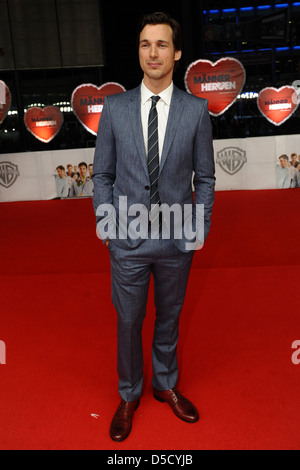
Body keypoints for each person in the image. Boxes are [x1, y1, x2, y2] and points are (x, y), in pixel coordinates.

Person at [92, 12, 215, 442]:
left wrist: (198, 228)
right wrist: (107, 226)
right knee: (129, 319)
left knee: (170, 317)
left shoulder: (197, 111)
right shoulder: (115, 107)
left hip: (177, 236)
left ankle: (164, 384)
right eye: (146, 44)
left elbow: (206, 178)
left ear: (177, 53)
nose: (153, 52)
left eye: (162, 44)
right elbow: (102, 175)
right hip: (126, 237)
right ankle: (130, 394)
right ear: (139, 51)